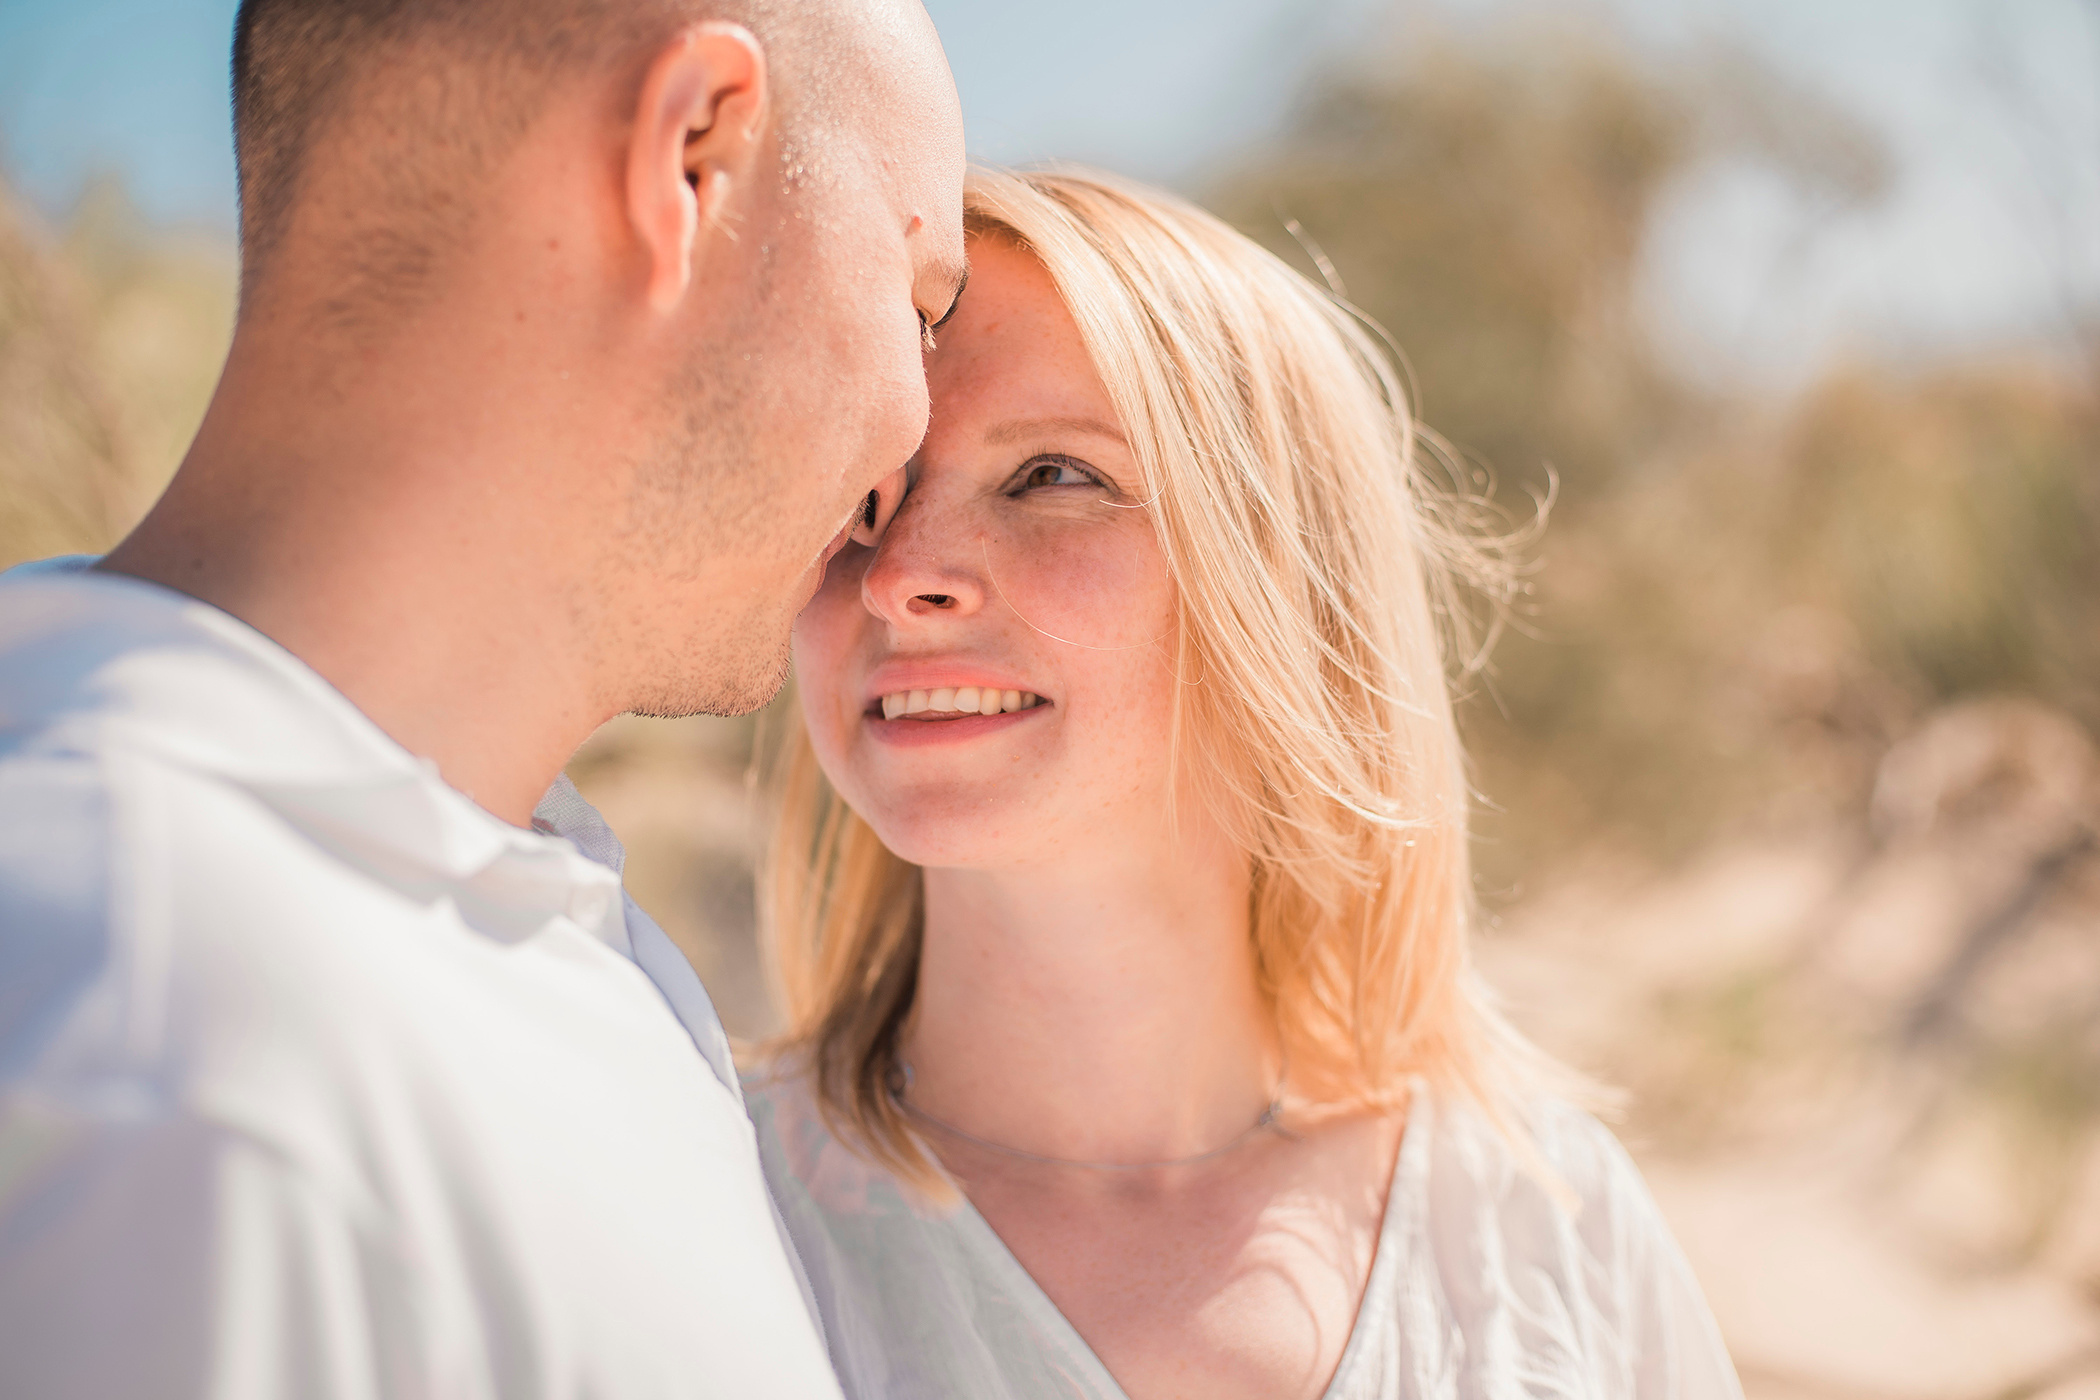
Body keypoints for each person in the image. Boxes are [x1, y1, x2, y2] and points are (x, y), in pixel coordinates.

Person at [0, 0, 964, 1394]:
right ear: (692, 155)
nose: (910, 466)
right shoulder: (159, 1041)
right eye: (918, 301)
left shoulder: (544, 937)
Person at [745, 167, 1744, 1400]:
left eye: (1053, 475)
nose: (900, 575)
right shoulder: (701, 1202)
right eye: (865, 493)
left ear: (1289, 586)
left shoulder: (1552, 1237)